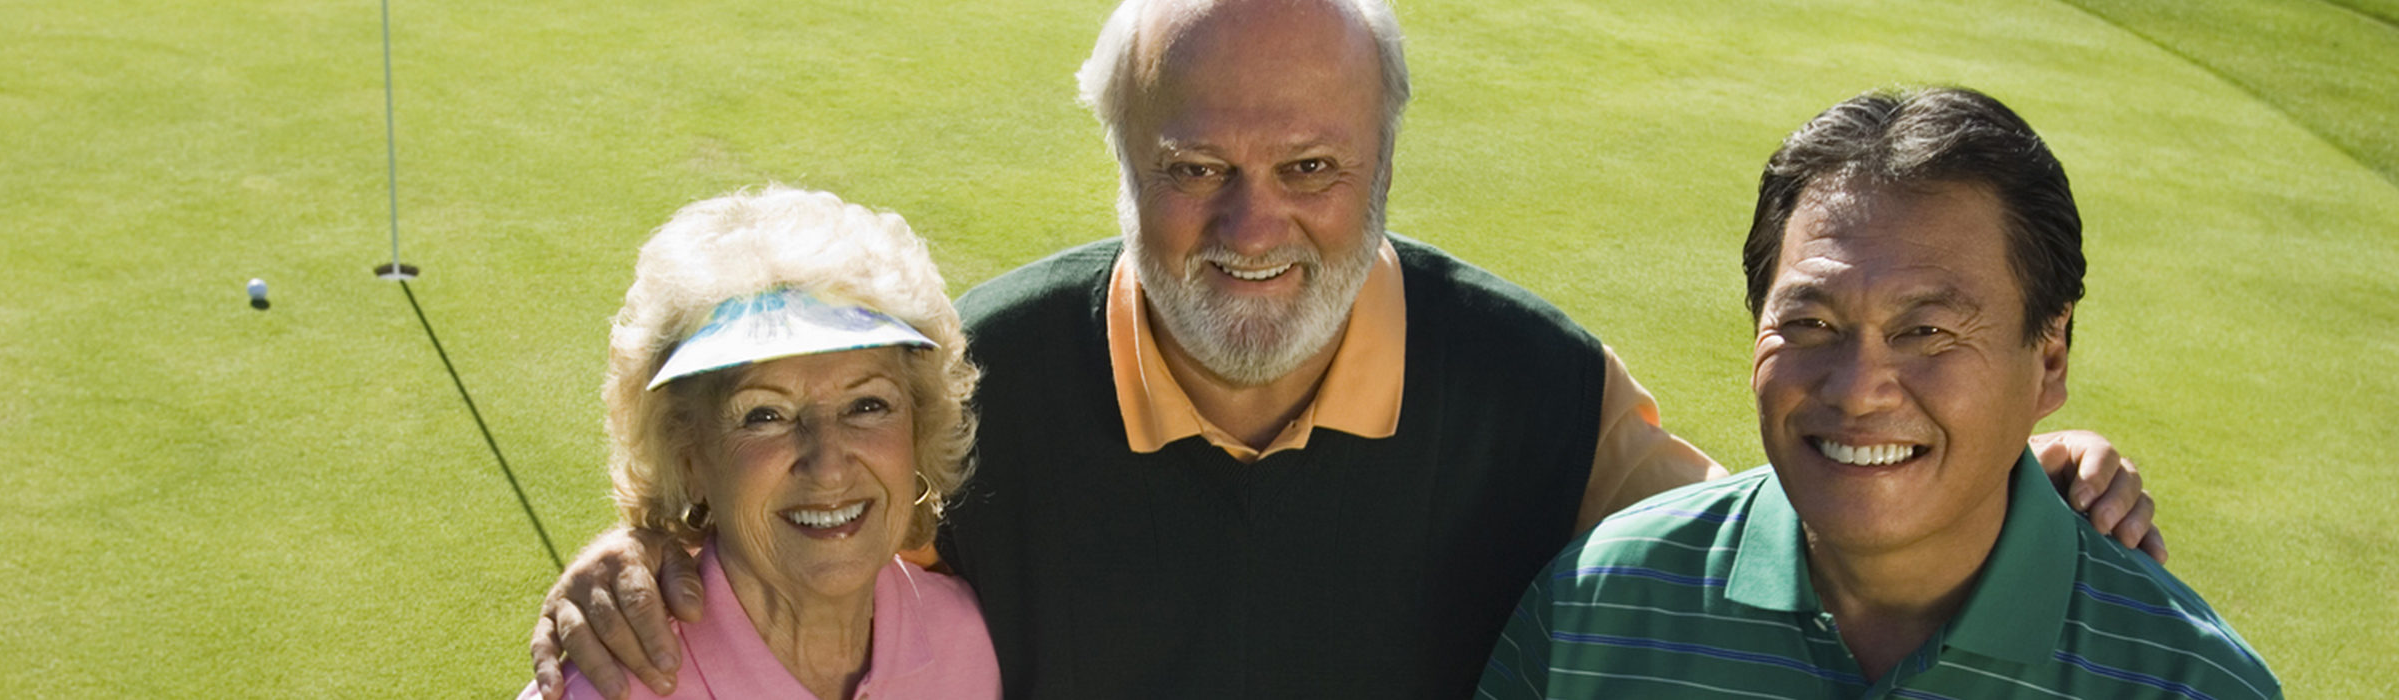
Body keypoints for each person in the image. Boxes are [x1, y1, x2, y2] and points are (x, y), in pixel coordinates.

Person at [529, 3, 2164, 699]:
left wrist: (2012, 490)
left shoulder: (1534, 388)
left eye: (1309, 168)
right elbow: (818, 509)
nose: (1254, 221)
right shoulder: (986, 377)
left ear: (1382, 168)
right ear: (1125, 172)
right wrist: (660, 542)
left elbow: (1787, 541)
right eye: (1193, 167)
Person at [1477, 87, 2279, 699]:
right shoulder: (1593, 605)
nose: (1858, 391)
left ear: (2051, 355)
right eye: (1813, 323)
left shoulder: (2194, 682)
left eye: (1927, 332)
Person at [523, 187, 1000, 699]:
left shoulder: (966, 637)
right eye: (764, 415)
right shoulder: (600, 690)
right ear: (687, 458)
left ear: (918, 428)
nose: (829, 466)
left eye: (867, 405)